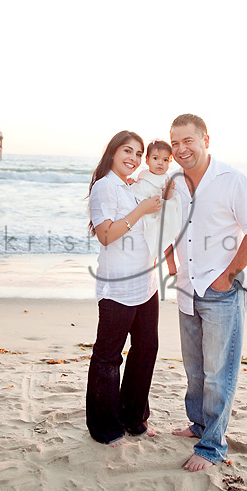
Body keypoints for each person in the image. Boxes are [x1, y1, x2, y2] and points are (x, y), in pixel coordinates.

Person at [169, 114, 247, 471]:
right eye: (175, 143)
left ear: (205, 140)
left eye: (188, 141)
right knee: (195, 371)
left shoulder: (231, 180)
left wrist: (228, 276)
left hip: (221, 291)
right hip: (186, 289)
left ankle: (212, 447)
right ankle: (198, 426)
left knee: (218, 373)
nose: (181, 149)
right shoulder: (174, 183)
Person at [86, 131, 162, 445]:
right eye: (126, 151)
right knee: (108, 356)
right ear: (113, 152)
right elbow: (105, 234)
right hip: (118, 285)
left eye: (137, 153)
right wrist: (141, 209)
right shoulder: (105, 186)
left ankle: (134, 417)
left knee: (146, 350)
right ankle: (105, 427)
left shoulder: (131, 186)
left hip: (146, 282)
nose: (132, 158)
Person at [130, 139, 182, 276]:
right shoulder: (143, 174)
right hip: (143, 212)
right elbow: (140, 188)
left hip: (157, 213)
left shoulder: (166, 179)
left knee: (164, 239)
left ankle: (171, 264)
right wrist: (132, 183)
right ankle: (150, 266)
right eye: (155, 158)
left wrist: (169, 189)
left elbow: (165, 198)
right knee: (149, 242)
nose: (160, 163)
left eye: (165, 160)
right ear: (147, 160)